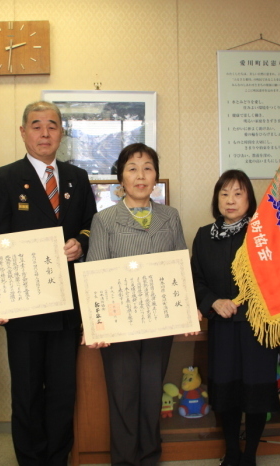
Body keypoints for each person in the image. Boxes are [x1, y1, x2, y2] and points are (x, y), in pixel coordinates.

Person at [0, 101, 97, 466]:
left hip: (66, 306)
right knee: (28, 393)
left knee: (62, 393)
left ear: (62, 133)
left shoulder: (77, 178)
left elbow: (91, 226)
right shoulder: (3, 178)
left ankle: (57, 459)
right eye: (36, 125)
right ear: (23, 132)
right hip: (24, 308)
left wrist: (82, 243)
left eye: (52, 125)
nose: (44, 132)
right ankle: (31, 461)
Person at [85, 143, 188, 466]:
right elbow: (95, 274)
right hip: (119, 326)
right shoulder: (104, 220)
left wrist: (187, 313)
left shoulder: (170, 217)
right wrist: (95, 324)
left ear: (156, 176)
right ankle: (126, 461)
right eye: (132, 168)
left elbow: (181, 265)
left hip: (160, 323)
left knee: (151, 393)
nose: (140, 175)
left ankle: (150, 457)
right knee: (124, 396)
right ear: (121, 179)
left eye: (147, 168)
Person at [190, 170, 280, 466]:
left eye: (238, 193)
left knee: (255, 394)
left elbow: (277, 276)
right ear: (217, 199)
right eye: (224, 194)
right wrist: (213, 302)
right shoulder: (204, 236)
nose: (231, 200)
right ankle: (231, 451)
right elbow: (195, 279)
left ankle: (250, 454)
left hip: (257, 327)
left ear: (249, 200)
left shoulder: (263, 232)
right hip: (223, 327)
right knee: (225, 394)